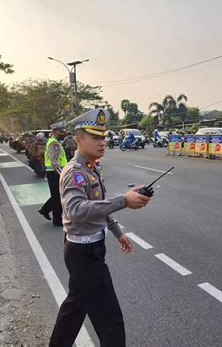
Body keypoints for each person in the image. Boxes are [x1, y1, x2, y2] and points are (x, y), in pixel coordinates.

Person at [49, 108, 151, 347]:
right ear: (78, 140)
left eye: (103, 137)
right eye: (95, 137)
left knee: (75, 310)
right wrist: (123, 200)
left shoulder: (93, 168)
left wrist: (116, 231)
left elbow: (97, 207)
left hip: (90, 249)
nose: (102, 142)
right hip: (83, 254)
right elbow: (76, 210)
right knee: (110, 320)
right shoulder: (74, 172)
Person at [38, 122, 68, 226]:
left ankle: (45, 210)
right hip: (55, 173)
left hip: (55, 173)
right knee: (57, 198)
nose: (63, 133)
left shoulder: (55, 141)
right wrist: (63, 174)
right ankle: (57, 220)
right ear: (55, 132)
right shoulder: (54, 143)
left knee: (57, 195)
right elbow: (54, 163)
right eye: (61, 131)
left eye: (63, 131)